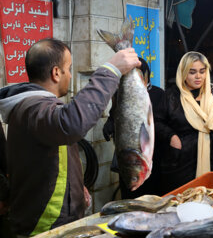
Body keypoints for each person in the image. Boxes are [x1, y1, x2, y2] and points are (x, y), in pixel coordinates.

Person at [0, 38, 141, 237]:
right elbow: (71, 124)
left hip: (56, 216)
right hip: (45, 223)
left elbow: (54, 155)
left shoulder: (38, 108)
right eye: (68, 68)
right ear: (56, 73)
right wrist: (110, 71)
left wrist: (75, 185)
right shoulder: (32, 108)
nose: (69, 75)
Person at [155, 51, 213, 194]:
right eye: (192, 72)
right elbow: (157, 122)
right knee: (182, 202)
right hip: (181, 161)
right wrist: (172, 137)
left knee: (209, 199)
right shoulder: (171, 96)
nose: (198, 76)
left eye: (202, 71)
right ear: (183, 73)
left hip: (211, 157)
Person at [103, 57, 165, 198]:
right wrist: (109, 124)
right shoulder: (121, 93)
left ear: (146, 75)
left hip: (152, 155)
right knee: (130, 195)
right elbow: (115, 115)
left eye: (139, 73)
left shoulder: (159, 94)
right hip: (129, 158)